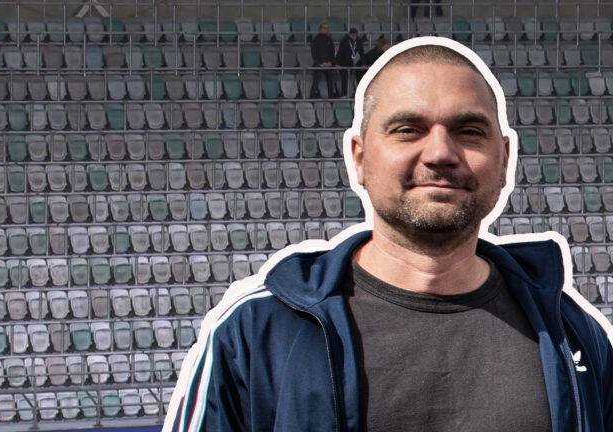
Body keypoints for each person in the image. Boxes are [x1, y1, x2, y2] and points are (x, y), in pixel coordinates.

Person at [163, 37, 613, 432]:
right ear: (359, 157)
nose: (440, 152)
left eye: (469, 131)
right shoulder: (257, 329)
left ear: (505, 159)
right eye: (408, 130)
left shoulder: (573, 333)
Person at [309, 21, 337, 98]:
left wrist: (331, 62)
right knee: (315, 82)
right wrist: (319, 63)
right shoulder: (316, 39)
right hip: (319, 65)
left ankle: (331, 98)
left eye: (327, 28)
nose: (326, 30)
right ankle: (312, 98)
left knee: (330, 83)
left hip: (328, 64)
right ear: (320, 29)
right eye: (324, 28)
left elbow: (332, 52)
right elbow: (314, 53)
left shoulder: (329, 39)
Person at [335, 27, 364, 98]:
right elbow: (340, 52)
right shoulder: (344, 41)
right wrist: (337, 63)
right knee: (344, 76)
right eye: (352, 35)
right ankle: (344, 94)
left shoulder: (358, 41)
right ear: (349, 35)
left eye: (355, 35)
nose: (354, 37)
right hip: (343, 61)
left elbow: (361, 52)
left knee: (356, 75)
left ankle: (357, 92)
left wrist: (363, 63)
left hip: (352, 61)